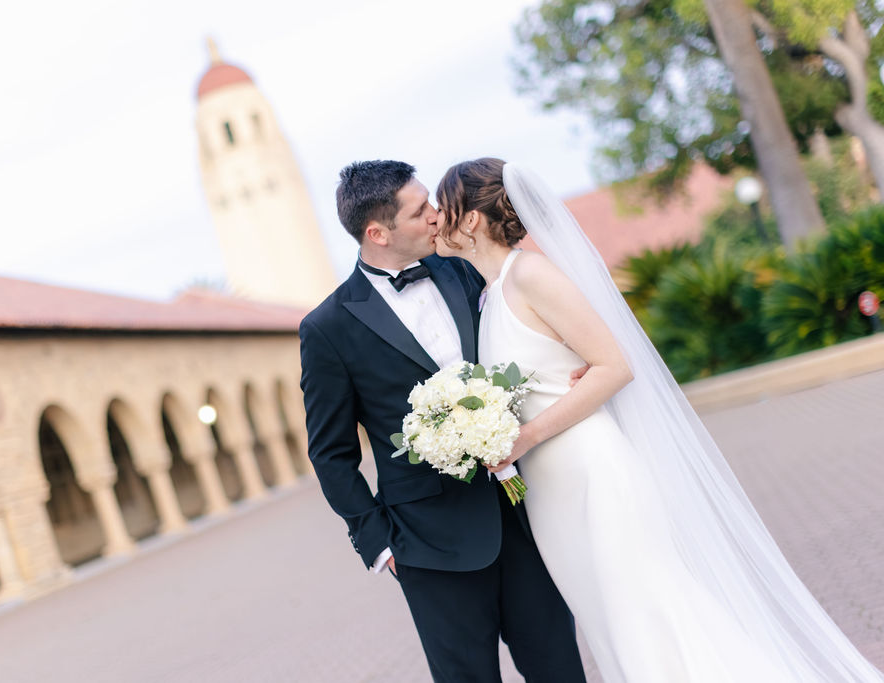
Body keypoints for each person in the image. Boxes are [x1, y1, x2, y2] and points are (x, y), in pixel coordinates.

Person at [433, 156, 884, 683]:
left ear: (470, 220)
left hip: (593, 474)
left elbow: (615, 365)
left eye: (444, 206)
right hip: (549, 491)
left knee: (648, 618)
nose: (436, 219)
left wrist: (525, 434)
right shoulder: (489, 295)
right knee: (609, 625)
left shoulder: (531, 274)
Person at [299, 160, 588, 682]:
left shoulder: (466, 268)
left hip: (524, 511)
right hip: (428, 547)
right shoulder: (328, 327)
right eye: (421, 210)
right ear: (377, 233)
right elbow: (330, 452)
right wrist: (378, 543)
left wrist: (574, 362)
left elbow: (529, 328)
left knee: (560, 668)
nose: (438, 216)